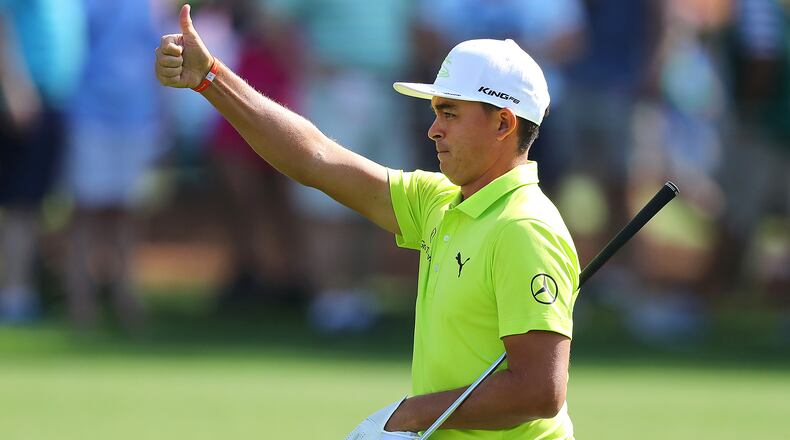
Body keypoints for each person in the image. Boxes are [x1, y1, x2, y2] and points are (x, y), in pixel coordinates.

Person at [155, 4, 579, 439]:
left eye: (450, 113)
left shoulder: (525, 229)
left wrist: (410, 415)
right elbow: (317, 158)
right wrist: (211, 79)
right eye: (435, 112)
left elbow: (538, 392)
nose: (433, 129)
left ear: (503, 124)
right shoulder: (440, 201)